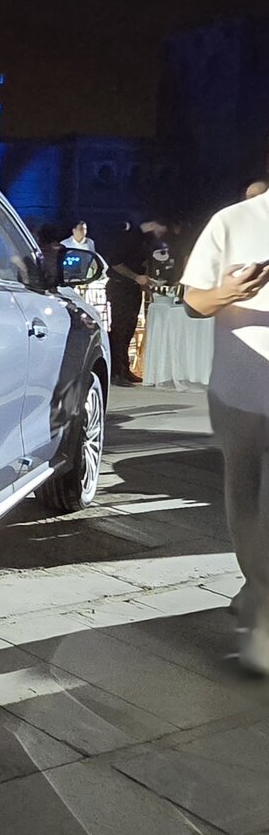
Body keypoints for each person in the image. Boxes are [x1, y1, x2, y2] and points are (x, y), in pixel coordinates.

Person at [181, 188, 269, 675]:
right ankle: (257, 588)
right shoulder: (233, 221)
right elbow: (193, 300)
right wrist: (229, 294)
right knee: (246, 495)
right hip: (241, 389)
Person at [106, 218, 168, 386]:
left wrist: (145, 284)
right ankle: (116, 372)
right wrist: (136, 277)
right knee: (120, 330)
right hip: (120, 288)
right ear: (153, 224)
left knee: (129, 330)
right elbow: (116, 263)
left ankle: (125, 370)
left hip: (132, 288)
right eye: (160, 229)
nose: (161, 234)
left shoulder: (144, 241)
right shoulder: (130, 238)